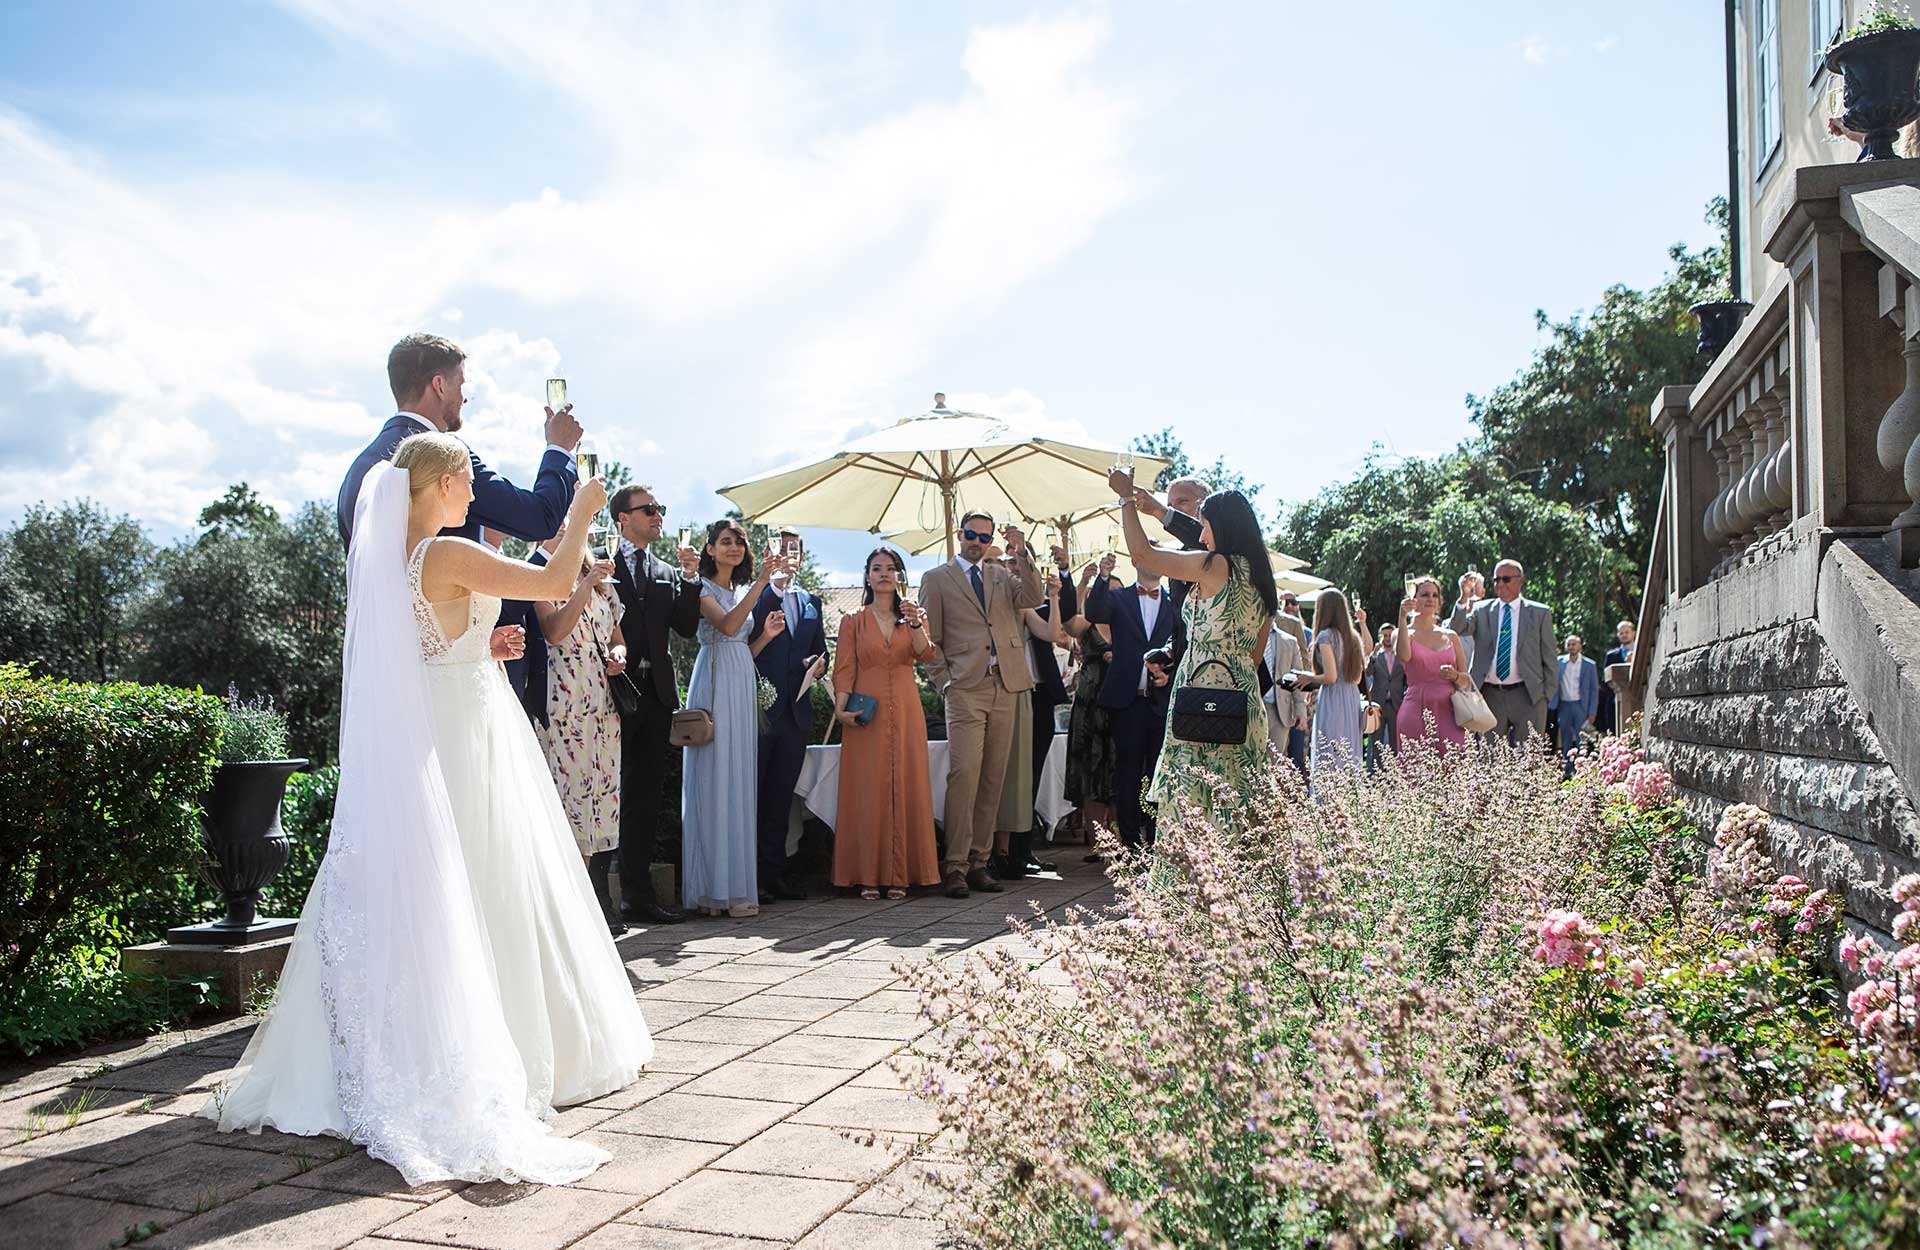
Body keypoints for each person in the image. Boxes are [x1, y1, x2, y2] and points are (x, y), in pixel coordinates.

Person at [208, 443, 647, 1187]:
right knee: (488, 880)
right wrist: (581, 509)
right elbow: (555, 579)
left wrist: (486, 647)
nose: (474, 493)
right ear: (442, 483)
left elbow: (423, 652)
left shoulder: (395, 559)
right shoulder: (445, 551)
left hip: (440, 727)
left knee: (450, 883)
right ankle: (491, 1046)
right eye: (470, 480)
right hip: (469, 738)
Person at [1113, 478, 1276, 821]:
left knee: (1191, 809)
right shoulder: (1263, 577)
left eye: (1205, 526)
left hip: (1200, 700)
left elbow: (1143, 555)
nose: (1201, 537)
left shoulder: (1215, 566)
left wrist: (1126, 499)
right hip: (1243, 701)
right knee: (1237, 808)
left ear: (1223, 527)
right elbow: (1255, 657)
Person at [336, 333, 580, 550]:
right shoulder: (446, 459)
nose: (465, 399)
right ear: (439, 386)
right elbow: (539, 519)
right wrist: (558, 449)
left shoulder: (355, 472)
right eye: (461, 385)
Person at [919, 511, 1044, 897]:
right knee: (964, 775)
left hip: (1006, 684)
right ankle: (954, 865)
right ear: (959, 534)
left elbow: (1035, 597)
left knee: (993, 777)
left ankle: (979, 862)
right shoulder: (936, 578)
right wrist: (946, 682)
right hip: (965, 689)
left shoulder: (1001, 575)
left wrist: (1022, 552)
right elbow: (930, 637)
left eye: (984, 537)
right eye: (971, 534)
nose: (977, 542)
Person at [682, 520, 793, 918]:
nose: (734, 548)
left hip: (740, 676)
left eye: (739, 543)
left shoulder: (740, 590)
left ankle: (736, 885)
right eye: (725, 542)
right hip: (713, 679)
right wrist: (763, 583)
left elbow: (742, 642)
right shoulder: (702, 589)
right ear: (709, 549)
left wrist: (765, 636)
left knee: (739, 778)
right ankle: (713, 890)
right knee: (716, 776)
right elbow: (727, 626)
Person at [607, 484, 701, 925]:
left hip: (657, 692)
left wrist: (689, 580)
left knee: (645, 797)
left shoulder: (666, 569)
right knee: (609, 791)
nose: (658, 516)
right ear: (623, 518)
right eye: (649, 509)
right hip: (615, 691)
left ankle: (638, 897)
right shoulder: (600, 564)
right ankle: (603, 899)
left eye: (660, 509)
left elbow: (685, 627)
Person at [532, 519, 628, 935]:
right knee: (568, 804)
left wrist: (619, 654)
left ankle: (588, 905)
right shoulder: (538, 571)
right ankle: (568, 916)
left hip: (603, 706)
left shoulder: (604, 581)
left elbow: (618, 634)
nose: (572, 534)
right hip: (566, 704)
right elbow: (554, 632)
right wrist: (584, 583)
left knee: (597, 805)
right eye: (561, 528)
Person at [831, 547, 941, 899]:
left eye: (890, 569)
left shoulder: (913, 617)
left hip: (907, 710)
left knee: (907, 784)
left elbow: (927, 654)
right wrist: (840, 709)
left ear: (900, 577)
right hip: (868, 712)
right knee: (868, 790)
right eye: (876, 568)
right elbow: (844, 668)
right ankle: (866, 875)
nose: (883, 574)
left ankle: (902, 875)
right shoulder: (852, 620)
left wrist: (916, 623)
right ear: (867, 576)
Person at [750, 528, 828, 901]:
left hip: (797, 713)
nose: (787, 555)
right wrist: (774, 586)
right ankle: (749, 876)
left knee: (781, 799)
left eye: (793, 549)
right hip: (761, 712)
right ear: (768, 552)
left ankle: (775, 873)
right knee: (755, 796)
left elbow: (818, 651)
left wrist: (818, 664)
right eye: (781, 549)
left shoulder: (812, 600)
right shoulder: (757, 596)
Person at [1085, 566, 1181, 850]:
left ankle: (1155, 840)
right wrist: (1102, 578)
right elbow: (1094, 612)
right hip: (1126, 700)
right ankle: (1129, 843)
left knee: (1158, 773)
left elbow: (1180, 645)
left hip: (1161, 701)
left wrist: (1169, 673)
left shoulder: (1173, 602)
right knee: (1126, 774)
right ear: (1138, 563)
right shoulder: (1118, 598)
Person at [1000, 554, 1075, 879]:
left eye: (1018, 563)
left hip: (1040, 695)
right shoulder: (997, 605)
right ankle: (1003, 851)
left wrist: (1054, 596)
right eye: (1008, 564)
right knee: (1009, 775)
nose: (1013, 569)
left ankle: (1023, 849)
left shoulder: (1030, 605)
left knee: (1031, 773)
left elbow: (1052, 632)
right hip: (1010, 693)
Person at [1449, 559, 1557, 746]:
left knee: (1529, 758)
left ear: (1520, 580)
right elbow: (1457, 628)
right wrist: (1463, 597)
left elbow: (1550, 658)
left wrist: (1545, 695)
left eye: (1505, 579)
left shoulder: (1540, 613)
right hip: (1490, 694)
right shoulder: (1481, 610)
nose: (1500, 584)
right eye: (1496, 580)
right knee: (1489, 758)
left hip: (1528, 695)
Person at [1063, 560, 1118, 858]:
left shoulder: (1128, 621)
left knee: (1118, 765)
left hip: (1122, 701)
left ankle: (1122, 837)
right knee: (1092, 768)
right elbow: (1069, 623)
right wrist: (1082, 583)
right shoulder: (1089, 622)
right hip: (1090, 700)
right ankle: (1099, 842)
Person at [1295, 589, 1369, 787]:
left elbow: (1331, 676)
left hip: (1333, 699)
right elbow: (1367, 651)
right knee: (1349, 753)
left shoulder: (1325, 637)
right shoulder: (1352, 637)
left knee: (1329, 751)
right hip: (1351, 697)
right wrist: (1362, 624)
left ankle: (1328, 803)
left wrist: (1307, 677)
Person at [1395, 576, 1470, 754]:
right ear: (1413, 598)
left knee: (1454, 768)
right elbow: (1404, 656)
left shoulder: (1451, 636)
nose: (1430, 599)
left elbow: (1466, 681)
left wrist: (1456, 676)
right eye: (1425, 594)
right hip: (1416, 708)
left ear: (1439, 601)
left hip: (1450, 711)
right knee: (1413, 770)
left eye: (1434, 595)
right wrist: (1402, 616)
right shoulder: (1404, 632)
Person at [485, 527, 544, 726]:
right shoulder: (472, 559)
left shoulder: (505, 559)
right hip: (488, 693)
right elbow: (510, 608)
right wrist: (549, 550)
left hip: (518, 690)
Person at [1262, 609, 1308, 768]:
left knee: (1274, 765)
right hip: (1254, 708)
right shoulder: (1249, 638)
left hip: (1279, 711)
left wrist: (1301, 711)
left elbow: (1297, 679)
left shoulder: (1289, 641)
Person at [1549, 634, 1599, 778]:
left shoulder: (1589, 665)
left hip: (1580, 705)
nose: (1571, 646)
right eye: (1569, 644)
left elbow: (1594, 690)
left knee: (1581, 738)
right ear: (1566, 646)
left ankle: (1583, 771)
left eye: (1574, 644)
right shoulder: (1559, 662)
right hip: (1564, 704)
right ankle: (1567, 770)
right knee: (1565, 738)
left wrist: (1592, 711)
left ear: (1580, 645)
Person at [1364, 623, 1408, 762]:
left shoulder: (1401, 655)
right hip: (1379, 704)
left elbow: (1407, 679)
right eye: (1385, 635)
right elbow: (1367, 673)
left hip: (1396, 704)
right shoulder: (1377, 656)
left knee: (1396, 742)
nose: (1388, 638)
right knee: (1376, 742)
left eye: (1390, 635)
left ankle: (1395, 774)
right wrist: (1372, 655)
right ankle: (1376, 775)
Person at [1600, 619, 1635, 733]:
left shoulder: (1639, 651)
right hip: (1616, 703)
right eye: (1621, 633)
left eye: (1626, 632)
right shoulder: (1611, 656)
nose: (1624, 635)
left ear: (1633, 633)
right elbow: (1605, 680)